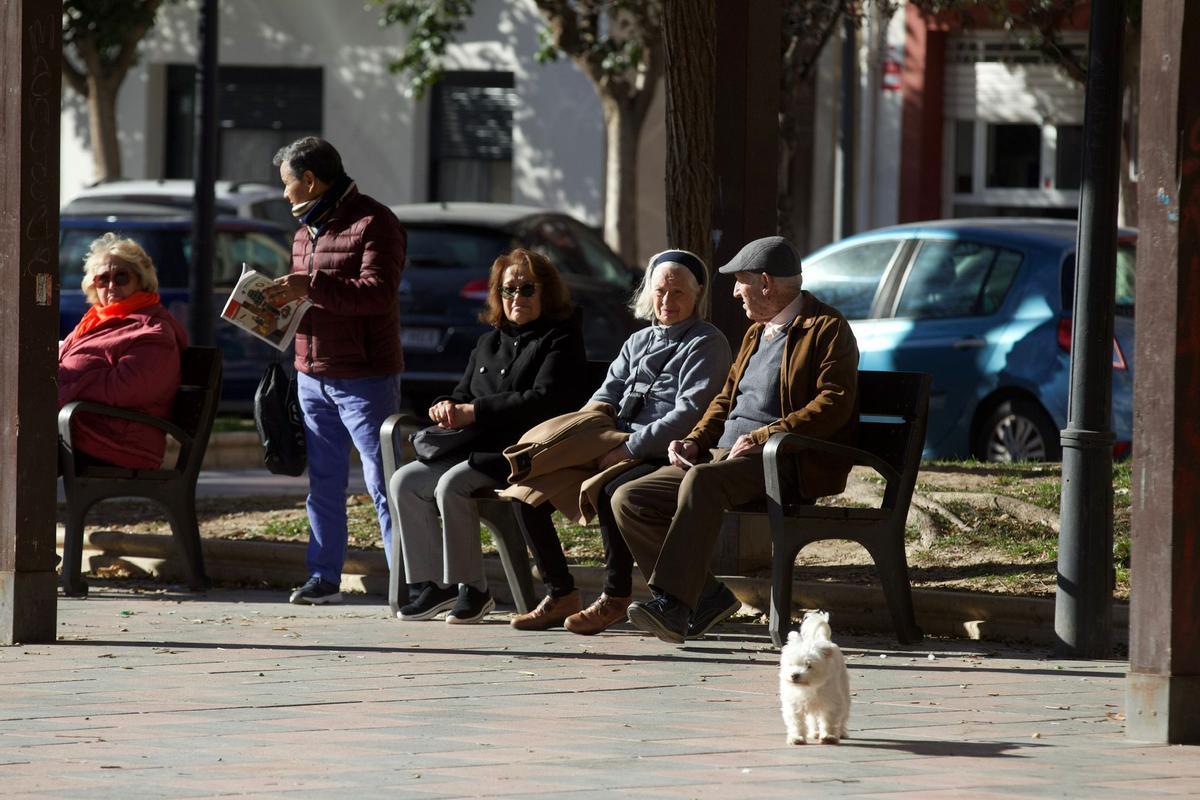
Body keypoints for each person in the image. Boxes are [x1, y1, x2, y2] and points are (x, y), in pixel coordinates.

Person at [614, 236, 860, 644]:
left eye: (740, 281)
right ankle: (708, 597)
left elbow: (833, 402)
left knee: (702, 481)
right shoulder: (755, 333)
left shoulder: (826, 328)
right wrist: (694, 440)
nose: (733, 292)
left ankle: (673, 604)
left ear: (766, 283)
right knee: (630, 498)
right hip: (729, 461)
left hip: (785, 462)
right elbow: (725, 399)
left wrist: (766, 436)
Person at [503, 250, 732, 634]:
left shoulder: (707, 342)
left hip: (662, 450)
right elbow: (606, 394)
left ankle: (615, 596)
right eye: (660, 291)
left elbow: (688, 414)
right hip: (612, 442)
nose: (667, 301)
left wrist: (627, 449)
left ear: (697, 296)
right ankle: (560, 592)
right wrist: (582, 435)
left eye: (678, 293)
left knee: (612, 489)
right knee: (526, 490)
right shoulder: (638, 340)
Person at [390, 249, 588, 624]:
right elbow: (465, 393)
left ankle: (474, 590)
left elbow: (544, 400)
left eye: (527, 289)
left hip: (523, 452)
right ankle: (436, 586)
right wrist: (446, 405)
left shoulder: (560, 338)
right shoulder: (488, 342)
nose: (517, 298)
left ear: (546, 292)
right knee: (405, 481)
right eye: (508, 290)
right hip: (473, 447)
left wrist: (474, 412)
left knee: (453, 484)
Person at [262, 137, 406, 606]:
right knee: (323, 483)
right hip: (311, 372)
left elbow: (378, 294)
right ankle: (323, 577)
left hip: (363, 376)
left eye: (287, 184)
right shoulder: (306, 231)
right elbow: (310, 297)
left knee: (382, 482)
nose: (284, 195)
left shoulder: (374, 221)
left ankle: (409, 581)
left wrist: (312, 286)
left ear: (310, 180)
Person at [58, 233, 188, 471]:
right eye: (102, 279)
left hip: (114, 443)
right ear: (92, 285)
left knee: (20, 444)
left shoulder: (152, 331)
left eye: (121, 277)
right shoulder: (96, 320)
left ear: (141, 280)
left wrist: (62, 388)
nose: (111, 286)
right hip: (80, 429)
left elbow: (126, 386)